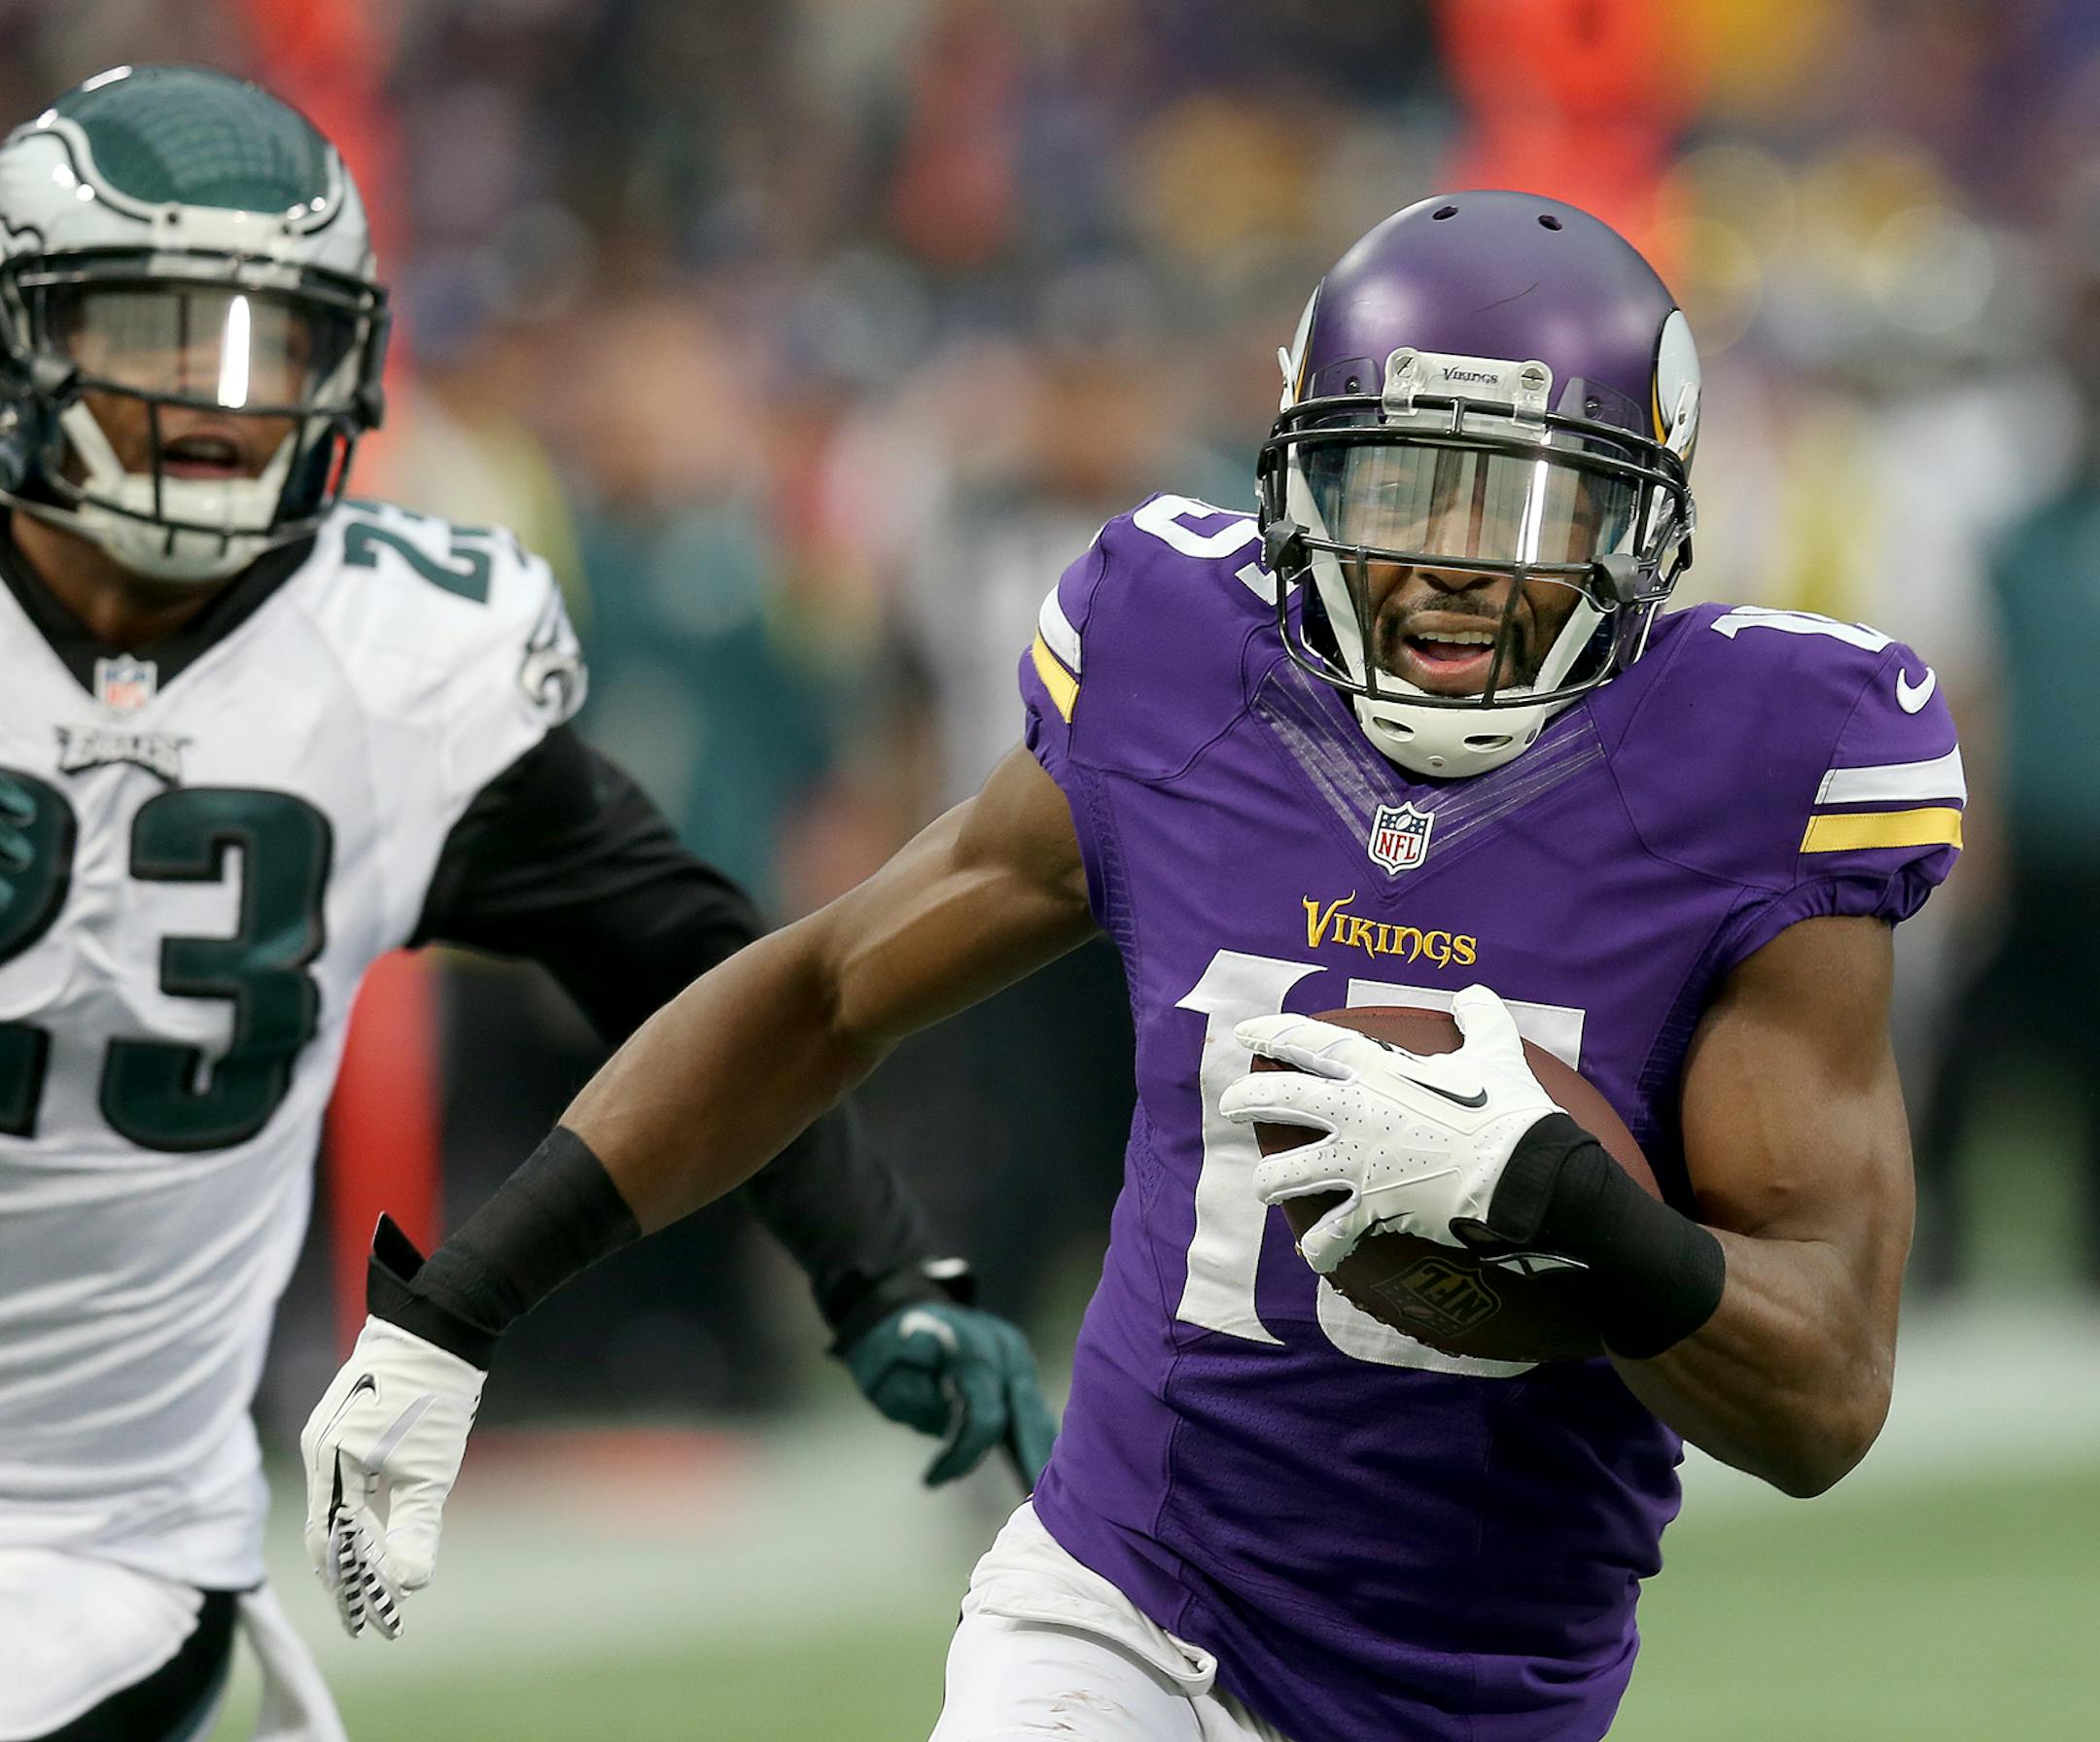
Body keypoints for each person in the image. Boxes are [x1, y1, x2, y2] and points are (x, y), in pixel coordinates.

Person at [301, 192, 1964, 1741]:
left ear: (1647, 519)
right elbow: (820, 990)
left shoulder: (1760, 769)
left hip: (1495, 1682)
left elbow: (1822, 1401)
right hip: (1123, 1603)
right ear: (1300, 472)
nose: (1455, 557)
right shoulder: (1182, 659)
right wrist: (458, 1304)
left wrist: (1578, 1216)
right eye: (1398, 484)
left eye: (1527, 503)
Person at [0, 65, 1054, 1742]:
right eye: (153, 334)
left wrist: (873, 1266)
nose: (217, 402)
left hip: (108, 1540)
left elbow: (698, 970)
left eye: (267, 343)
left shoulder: (386, 656)